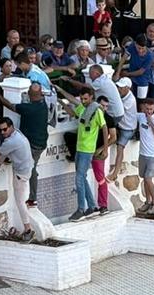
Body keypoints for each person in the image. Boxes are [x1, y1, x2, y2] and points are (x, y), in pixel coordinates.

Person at [0, 84, 49, 208]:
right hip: (40, 143)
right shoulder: (43, 105)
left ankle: (33, 198)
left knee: (31, 169)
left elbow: (11, 106)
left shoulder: (28, 108)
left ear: (30, 94)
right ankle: (1, 162)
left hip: (33, 145)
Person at [55, 86, 106, 221]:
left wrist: (105, 148)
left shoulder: (96, 111)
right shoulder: (83, 108)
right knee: (82, 178)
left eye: (85, 99)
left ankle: (81, 209)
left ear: (91, 97)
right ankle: (92, 206)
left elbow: (104, 128)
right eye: (82, 99)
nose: (83, 101)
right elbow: (72, 113)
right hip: (80, 147)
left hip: (87, 149)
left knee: (79, 178)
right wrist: (61, 102)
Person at [0, 117, 35, 239]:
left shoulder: (11, 142)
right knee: (5, 150)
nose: (2, 132)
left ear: (10, 127)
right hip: (27, 167)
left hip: (20, 174)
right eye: (1, 130)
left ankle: (28, 229)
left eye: (5, 129)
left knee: (20, 202)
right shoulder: (17, 133)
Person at [135, 97, 154, 214]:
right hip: (142, 154)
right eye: (147, 109)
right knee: (144, 179)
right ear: (143, 108)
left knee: (148, 178)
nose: (149, 111)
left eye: (151, 109)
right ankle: (147, 202)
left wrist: (150, 121)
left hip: (153, 155)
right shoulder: (140, 116)